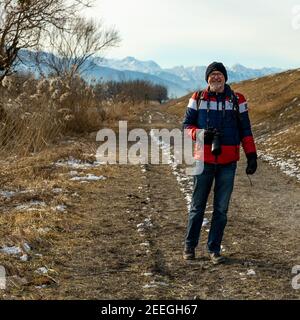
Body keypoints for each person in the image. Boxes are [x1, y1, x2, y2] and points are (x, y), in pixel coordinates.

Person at [182, 61, 257, 264]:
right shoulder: (197, 98)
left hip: (228, 162)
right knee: (197, 206)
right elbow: (186, 126)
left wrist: (251, 155)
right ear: (207, 78)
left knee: (221, 210)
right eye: (212, 74)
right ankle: (190, 246)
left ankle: (214, 249)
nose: (216, 77)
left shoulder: (237, 100)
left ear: (225, 77)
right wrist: (201, 134)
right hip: (203, 161)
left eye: (219, 74)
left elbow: (245, 130)